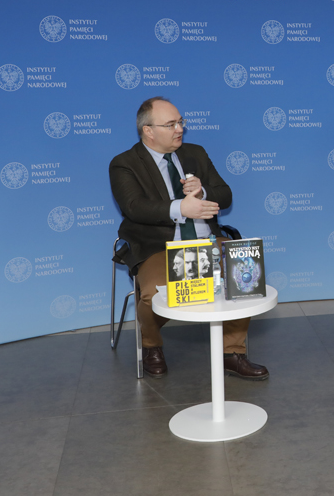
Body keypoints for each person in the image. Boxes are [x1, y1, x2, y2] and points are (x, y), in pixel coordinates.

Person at [109, 97, 267, 380]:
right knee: (152, 293)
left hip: (208, 241)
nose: (180, 129)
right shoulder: (124, 164)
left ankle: (233, 353)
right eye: (170, 124)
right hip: (159, 246)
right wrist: (180, 208)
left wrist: (203, 192)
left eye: (180, 122)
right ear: (148, 131)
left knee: (244, 277)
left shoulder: (195, 153)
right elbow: (134, 207)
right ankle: (152, 346)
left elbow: (225, 195)